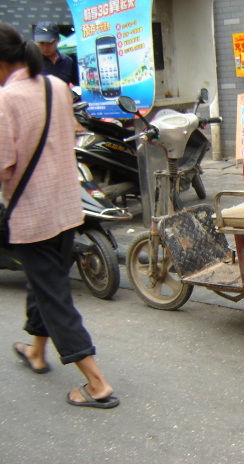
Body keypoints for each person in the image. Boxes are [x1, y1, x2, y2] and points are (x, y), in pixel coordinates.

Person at [0, 23, 119, 409]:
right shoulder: (55, 85)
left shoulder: (6, 99)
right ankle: (36, 352)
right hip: (68, 205)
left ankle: (97, 384)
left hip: (32, 215)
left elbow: (4, 164)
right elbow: (70, 134)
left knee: (53, 295)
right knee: (45, 281)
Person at [33, 21, 77, 86]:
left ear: (58, 39)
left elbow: (76, 84)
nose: (45, 47)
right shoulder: (31, 62)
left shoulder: (67, 61)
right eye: (41, 43)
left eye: (50, 42)